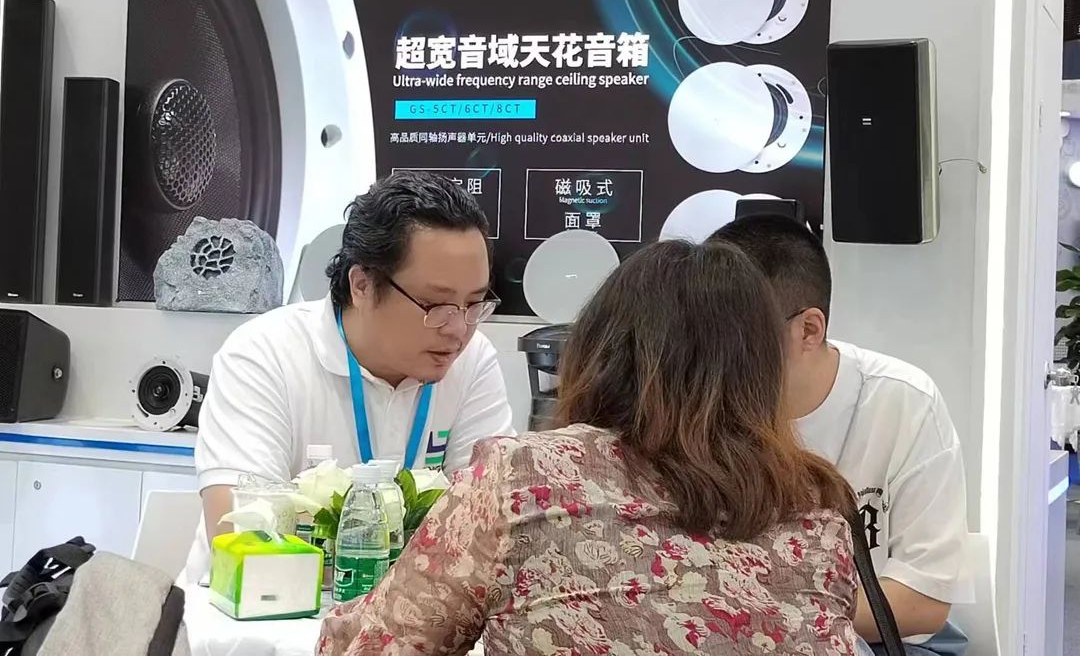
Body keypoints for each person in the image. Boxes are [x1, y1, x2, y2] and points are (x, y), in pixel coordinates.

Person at [318, 240, 861, 656]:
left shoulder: (523, 474)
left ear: (600, 348)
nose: (455, 329)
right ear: (763, 370)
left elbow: (376, 646)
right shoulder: (817, 504)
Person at [186, 171, 514, 579]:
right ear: (362, 284)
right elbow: (241, 535)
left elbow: (492, 528)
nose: (458, 329)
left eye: (474, 305)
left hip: (413, 613)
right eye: (435, 305)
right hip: (265, 612)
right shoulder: (264, 354)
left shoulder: (473, 360)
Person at [710, 215, 970, 656]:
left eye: (735, 335)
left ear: (809, 329)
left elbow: (923, 601)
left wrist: (775, 616)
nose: (714, 354)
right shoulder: (692, 404)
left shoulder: (903, 402)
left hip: (874, 640)